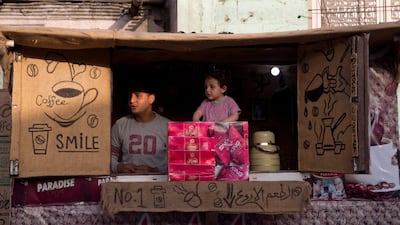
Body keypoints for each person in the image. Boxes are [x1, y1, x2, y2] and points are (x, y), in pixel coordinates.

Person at [111, 82, 170, 174]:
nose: (132, 100)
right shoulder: (120, 125)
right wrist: (118, 167)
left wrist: (155, 170)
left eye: (138, 96)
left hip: (159, 185)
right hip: (126, 184)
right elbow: (108, 157)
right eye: (130, 96)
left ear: (151, 99)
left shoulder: (168, 126)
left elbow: (178, 161)